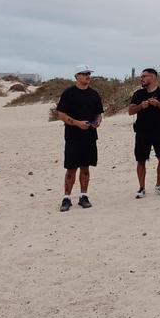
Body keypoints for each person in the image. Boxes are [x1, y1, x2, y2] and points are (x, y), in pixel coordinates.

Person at [56, 64, 104, 212]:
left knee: (85, 167)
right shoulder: (69, 93)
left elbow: (98, 113)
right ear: (77, 76)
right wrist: (77, 123)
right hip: (73, 137)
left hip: (90, 136)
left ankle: (84, 196)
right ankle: (66, 198)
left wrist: (97, 122)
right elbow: (61, 114)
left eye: (89, 73)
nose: (87, 76)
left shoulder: (94, 94)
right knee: (71, 169)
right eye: (84, 73)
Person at [128, 68, 160, 198]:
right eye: (141, 76)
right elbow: (130, 111)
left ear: (152, 77)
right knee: (141, 160)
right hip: (142, 132)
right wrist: (141, 106)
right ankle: (141, 188)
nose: (141, 79)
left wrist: (158, 104)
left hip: (159, 131)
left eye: (144, 76)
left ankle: (159, 185)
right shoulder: (138, 94)